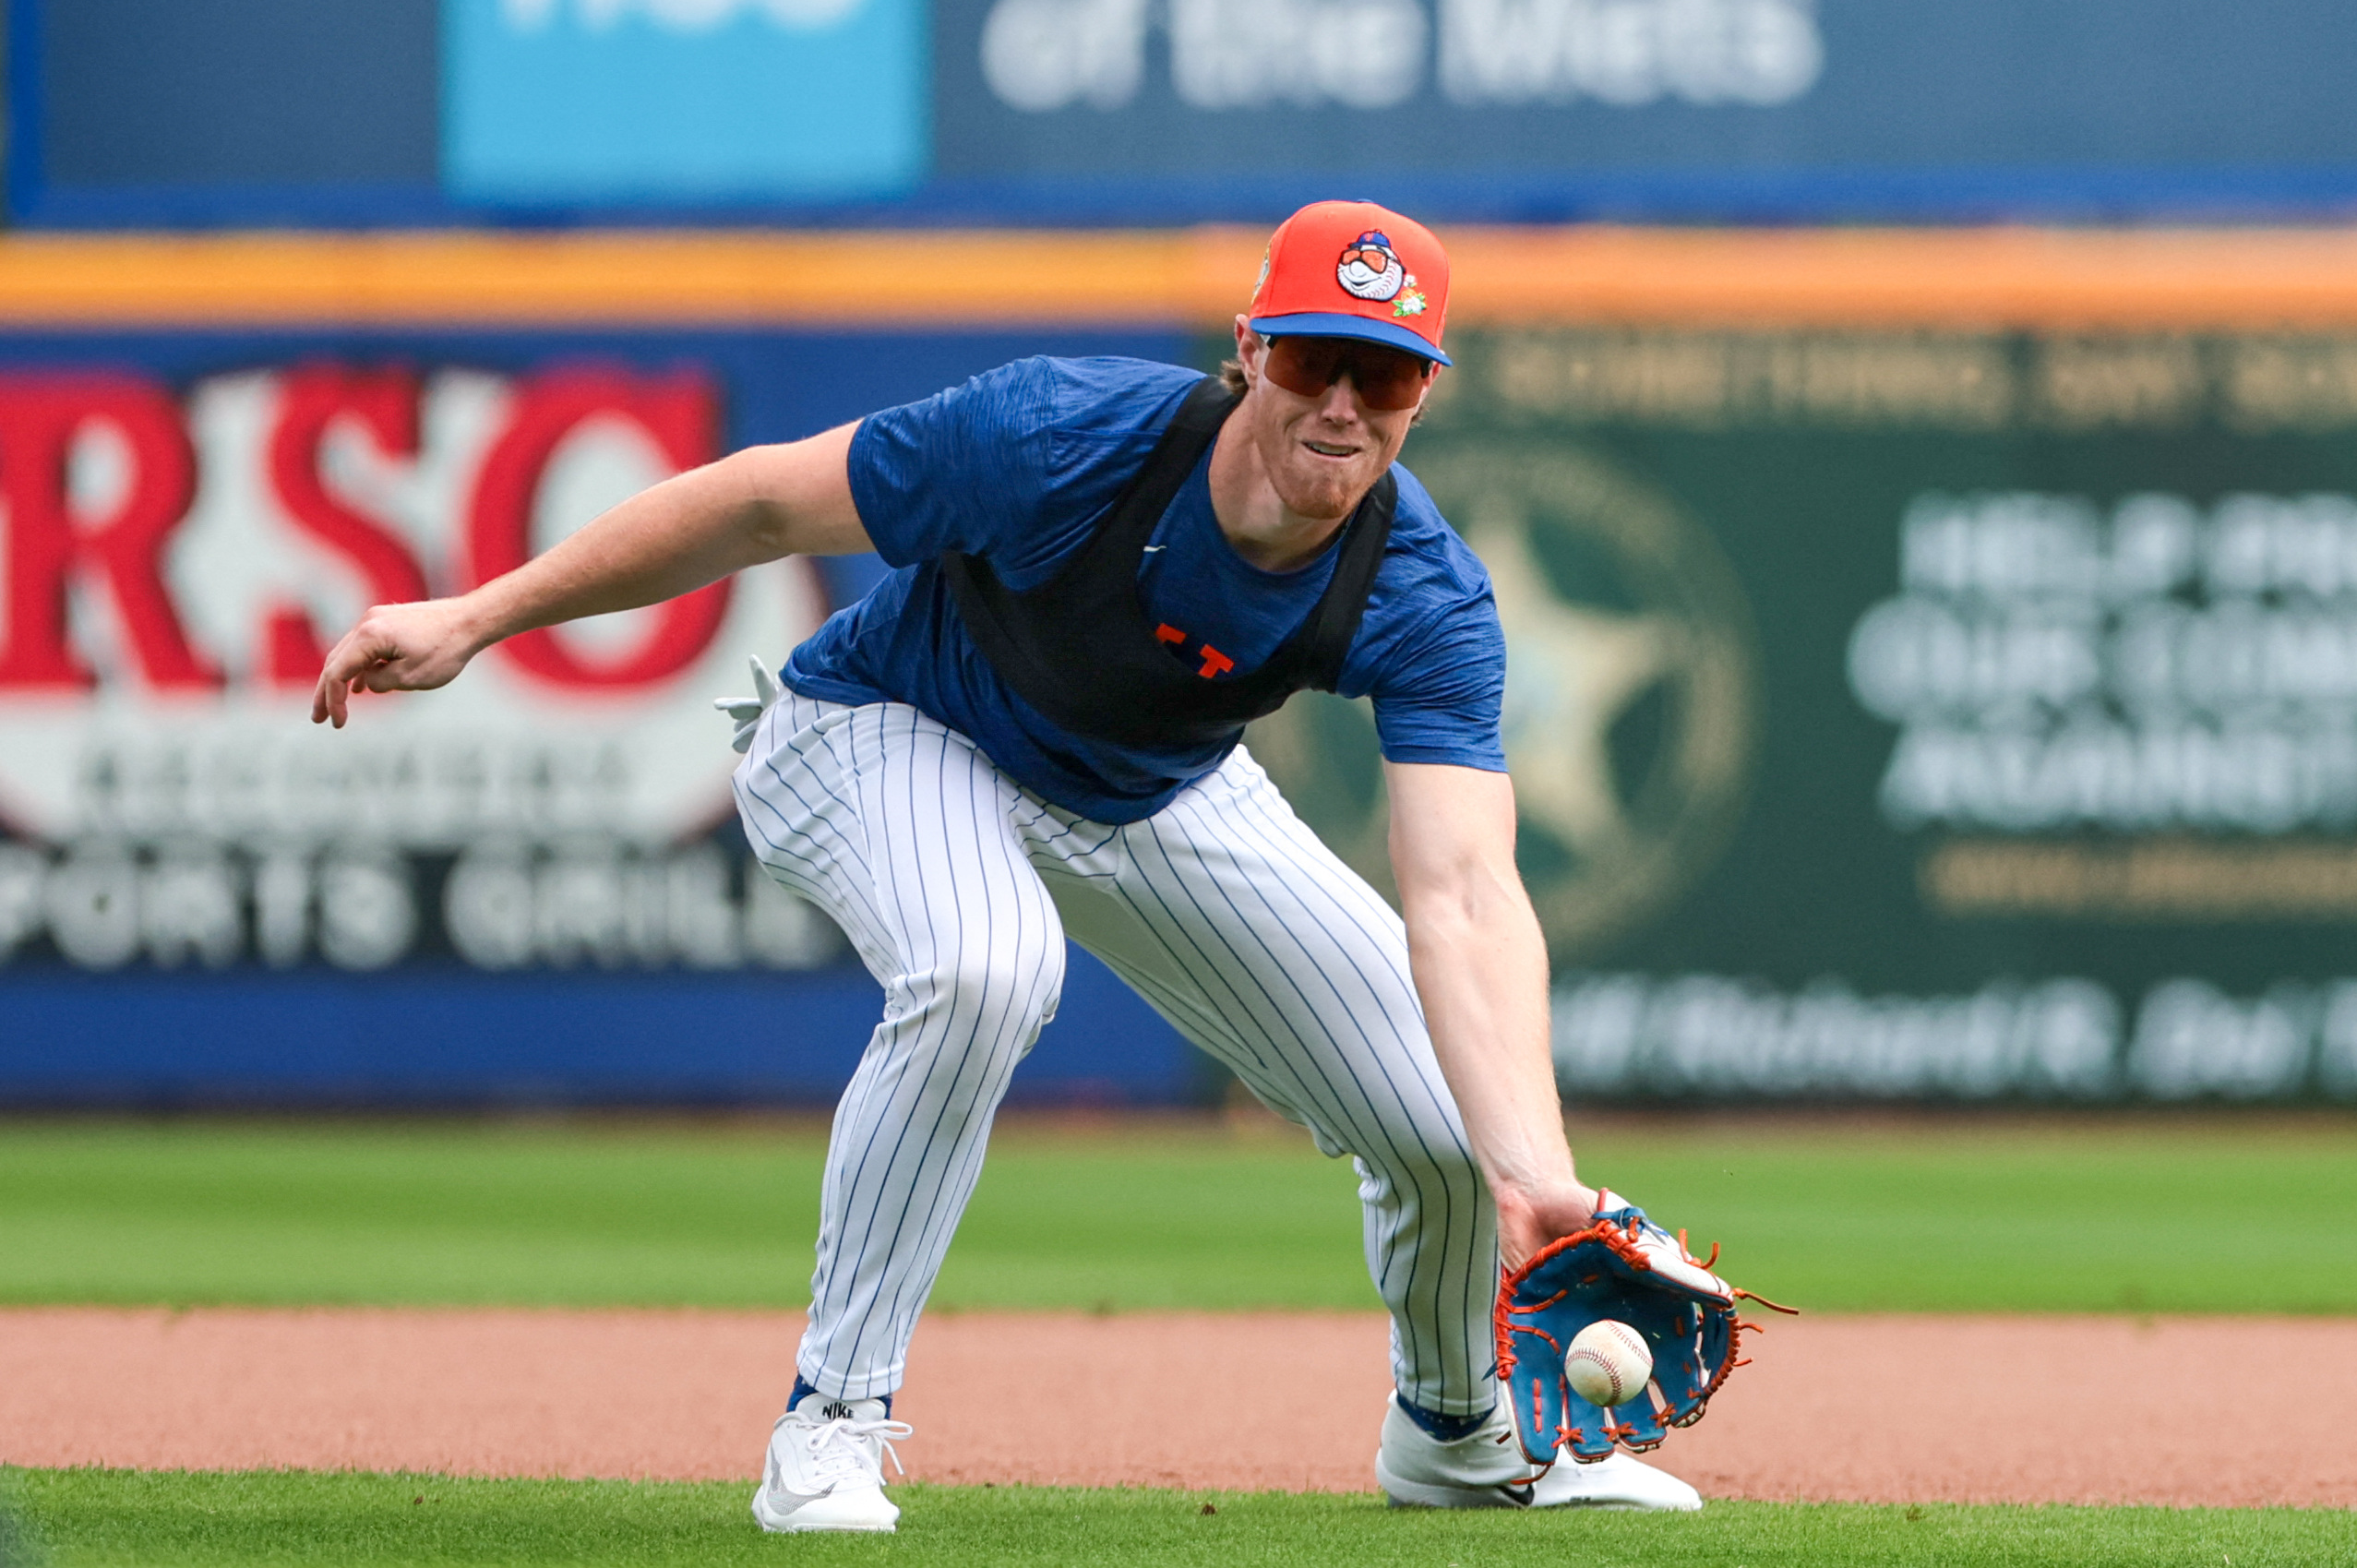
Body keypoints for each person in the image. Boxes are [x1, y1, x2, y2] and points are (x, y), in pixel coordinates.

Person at [309, 200, 1702, 1527]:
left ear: (1424, 395)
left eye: (1386, 374)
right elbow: (754, 507)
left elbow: (1464, 894)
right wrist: (479, 617)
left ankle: (1457, 1433)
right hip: (881, 727)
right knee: (986, 965)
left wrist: (1536, 1173)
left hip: (1147, 785)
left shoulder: (1423, 587)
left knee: (1461, 1112)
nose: (1343, 401)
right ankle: (831, 1420)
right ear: (1248, 351)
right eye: (1315, 355)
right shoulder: (1061, 434)